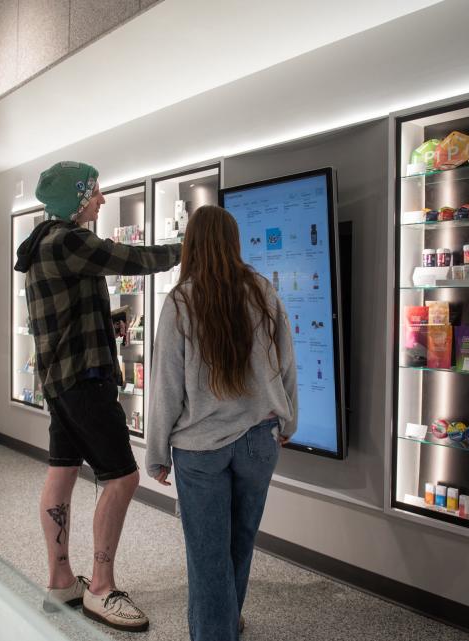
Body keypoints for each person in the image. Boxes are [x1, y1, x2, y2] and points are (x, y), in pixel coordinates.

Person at [14, 161, 181, 633]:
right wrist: (188, 250)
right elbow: (127, 258)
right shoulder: (69, 239)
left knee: (62, 473)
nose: (103, 199)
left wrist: (109, 320)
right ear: (77, 196)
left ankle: (61, 581)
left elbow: (67, 311)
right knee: (123, 478)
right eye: (96, 192)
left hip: (59, 380)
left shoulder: (44, 243)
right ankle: (102, 588)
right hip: (85, 380)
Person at [146, 205, 297, 641]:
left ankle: (216, 632)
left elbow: (167, 385)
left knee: (206, 554)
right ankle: (227, 622)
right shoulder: (262, 291)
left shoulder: (180, 301)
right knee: (239, 543)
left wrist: (157, 452)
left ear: (190, 245)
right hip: (258, 441)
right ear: (234, 243)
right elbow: (288, 364)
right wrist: (287, 422)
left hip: (200, 448)